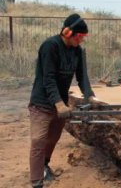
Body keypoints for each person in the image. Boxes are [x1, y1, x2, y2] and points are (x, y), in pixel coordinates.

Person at [28, 13, 102, 188]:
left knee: (53, 138)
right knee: (38, 140)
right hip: (42, 104)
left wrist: (90, 96)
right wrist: (59, 103)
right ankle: (36, 182)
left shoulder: (78, 51)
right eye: (80, 36)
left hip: (59, 104)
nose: (82, 40)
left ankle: (45, 166)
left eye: (84, 37)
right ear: (68, 33)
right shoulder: (50, 46)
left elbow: (82, 76)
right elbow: (48, 78)